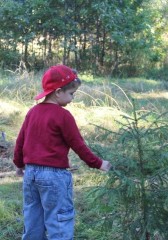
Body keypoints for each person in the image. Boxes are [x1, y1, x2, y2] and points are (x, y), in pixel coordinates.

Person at [13, 65, 112, 240]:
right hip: (54, 176)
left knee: (33, 218)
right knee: (59, 220)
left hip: (31, 174)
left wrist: (19, 164)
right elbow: (78, 145)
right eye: (71, 94)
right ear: (58, 92)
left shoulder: (32, 112)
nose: (72, 98)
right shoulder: (63, 116)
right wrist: (98, 163)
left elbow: (20, 142)